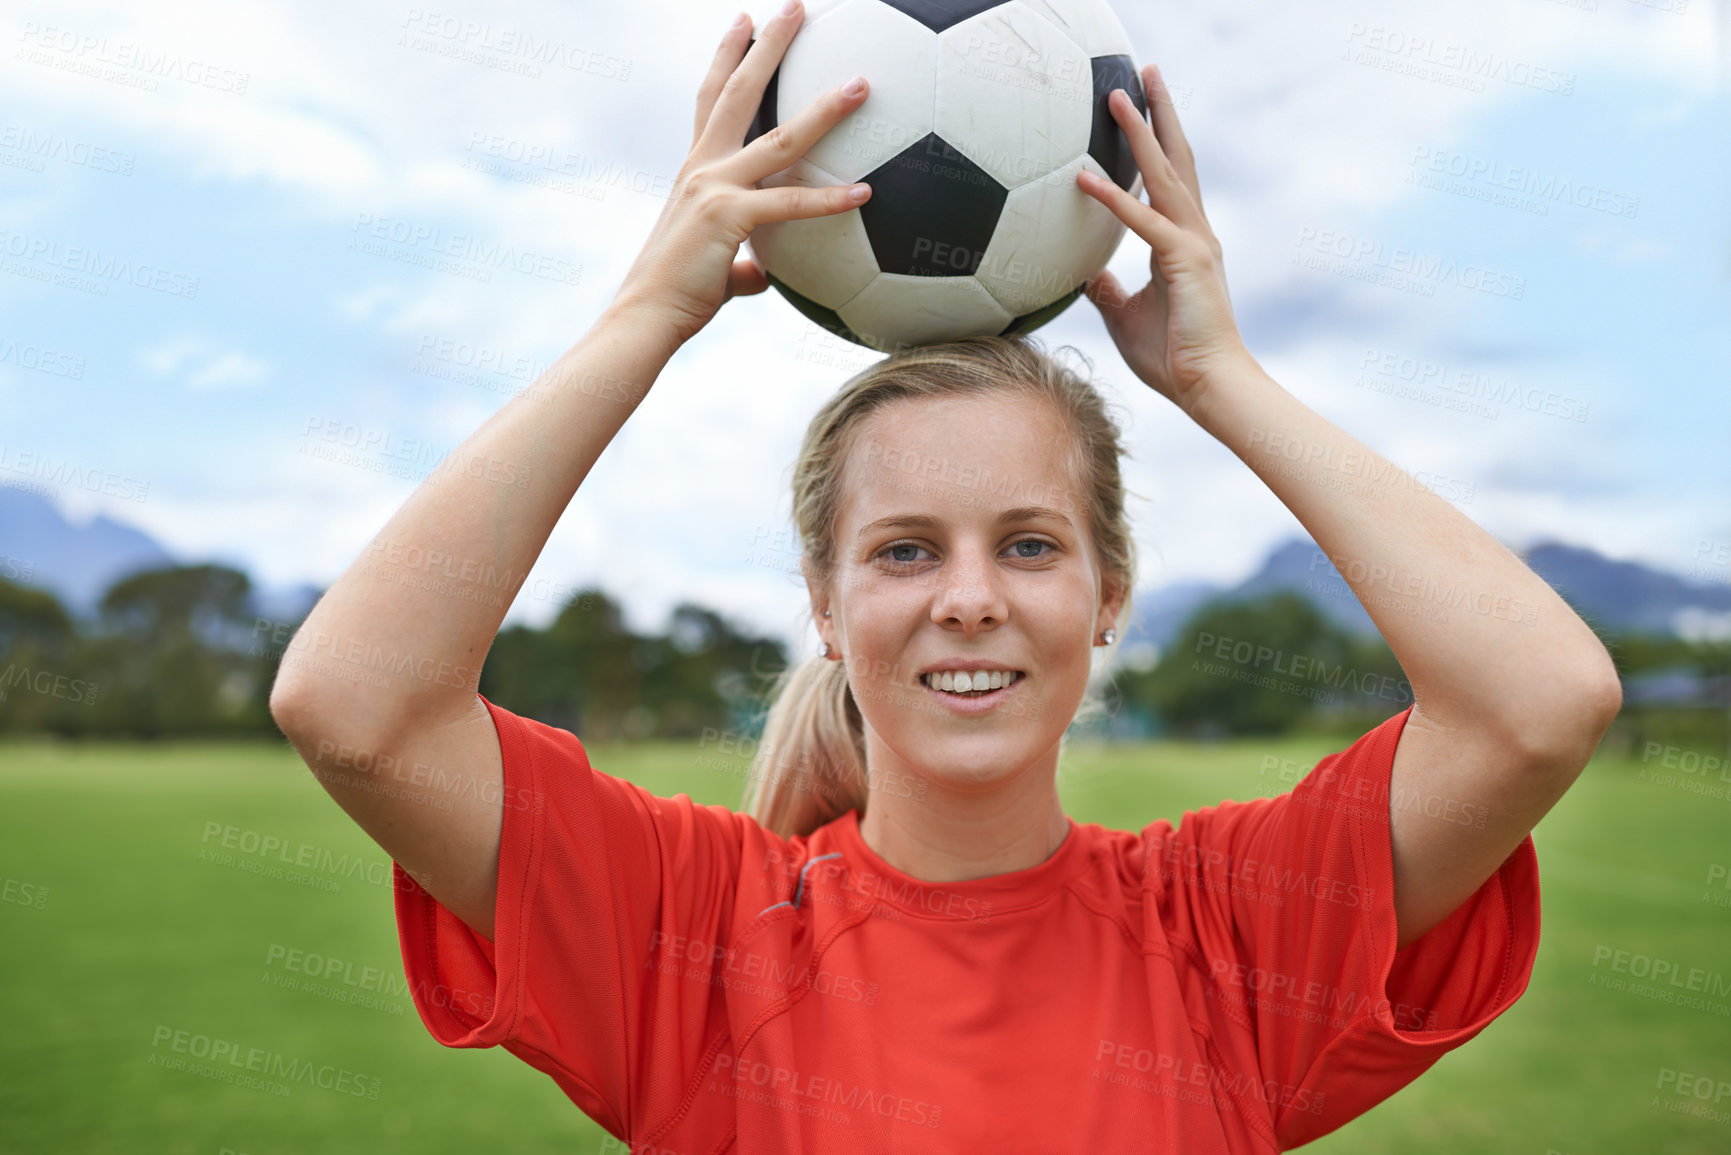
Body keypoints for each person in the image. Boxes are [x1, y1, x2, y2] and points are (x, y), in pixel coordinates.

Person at [268, 3, 1623, 1150]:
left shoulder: (1231, 935)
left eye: (1028, 544)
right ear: (825, 603)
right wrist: (645, 319)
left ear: (1108, 597)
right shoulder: (690, 940)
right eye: (905, 550)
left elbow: (1538, 701)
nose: (968, 596)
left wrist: (1222, 380)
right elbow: (357, 705)